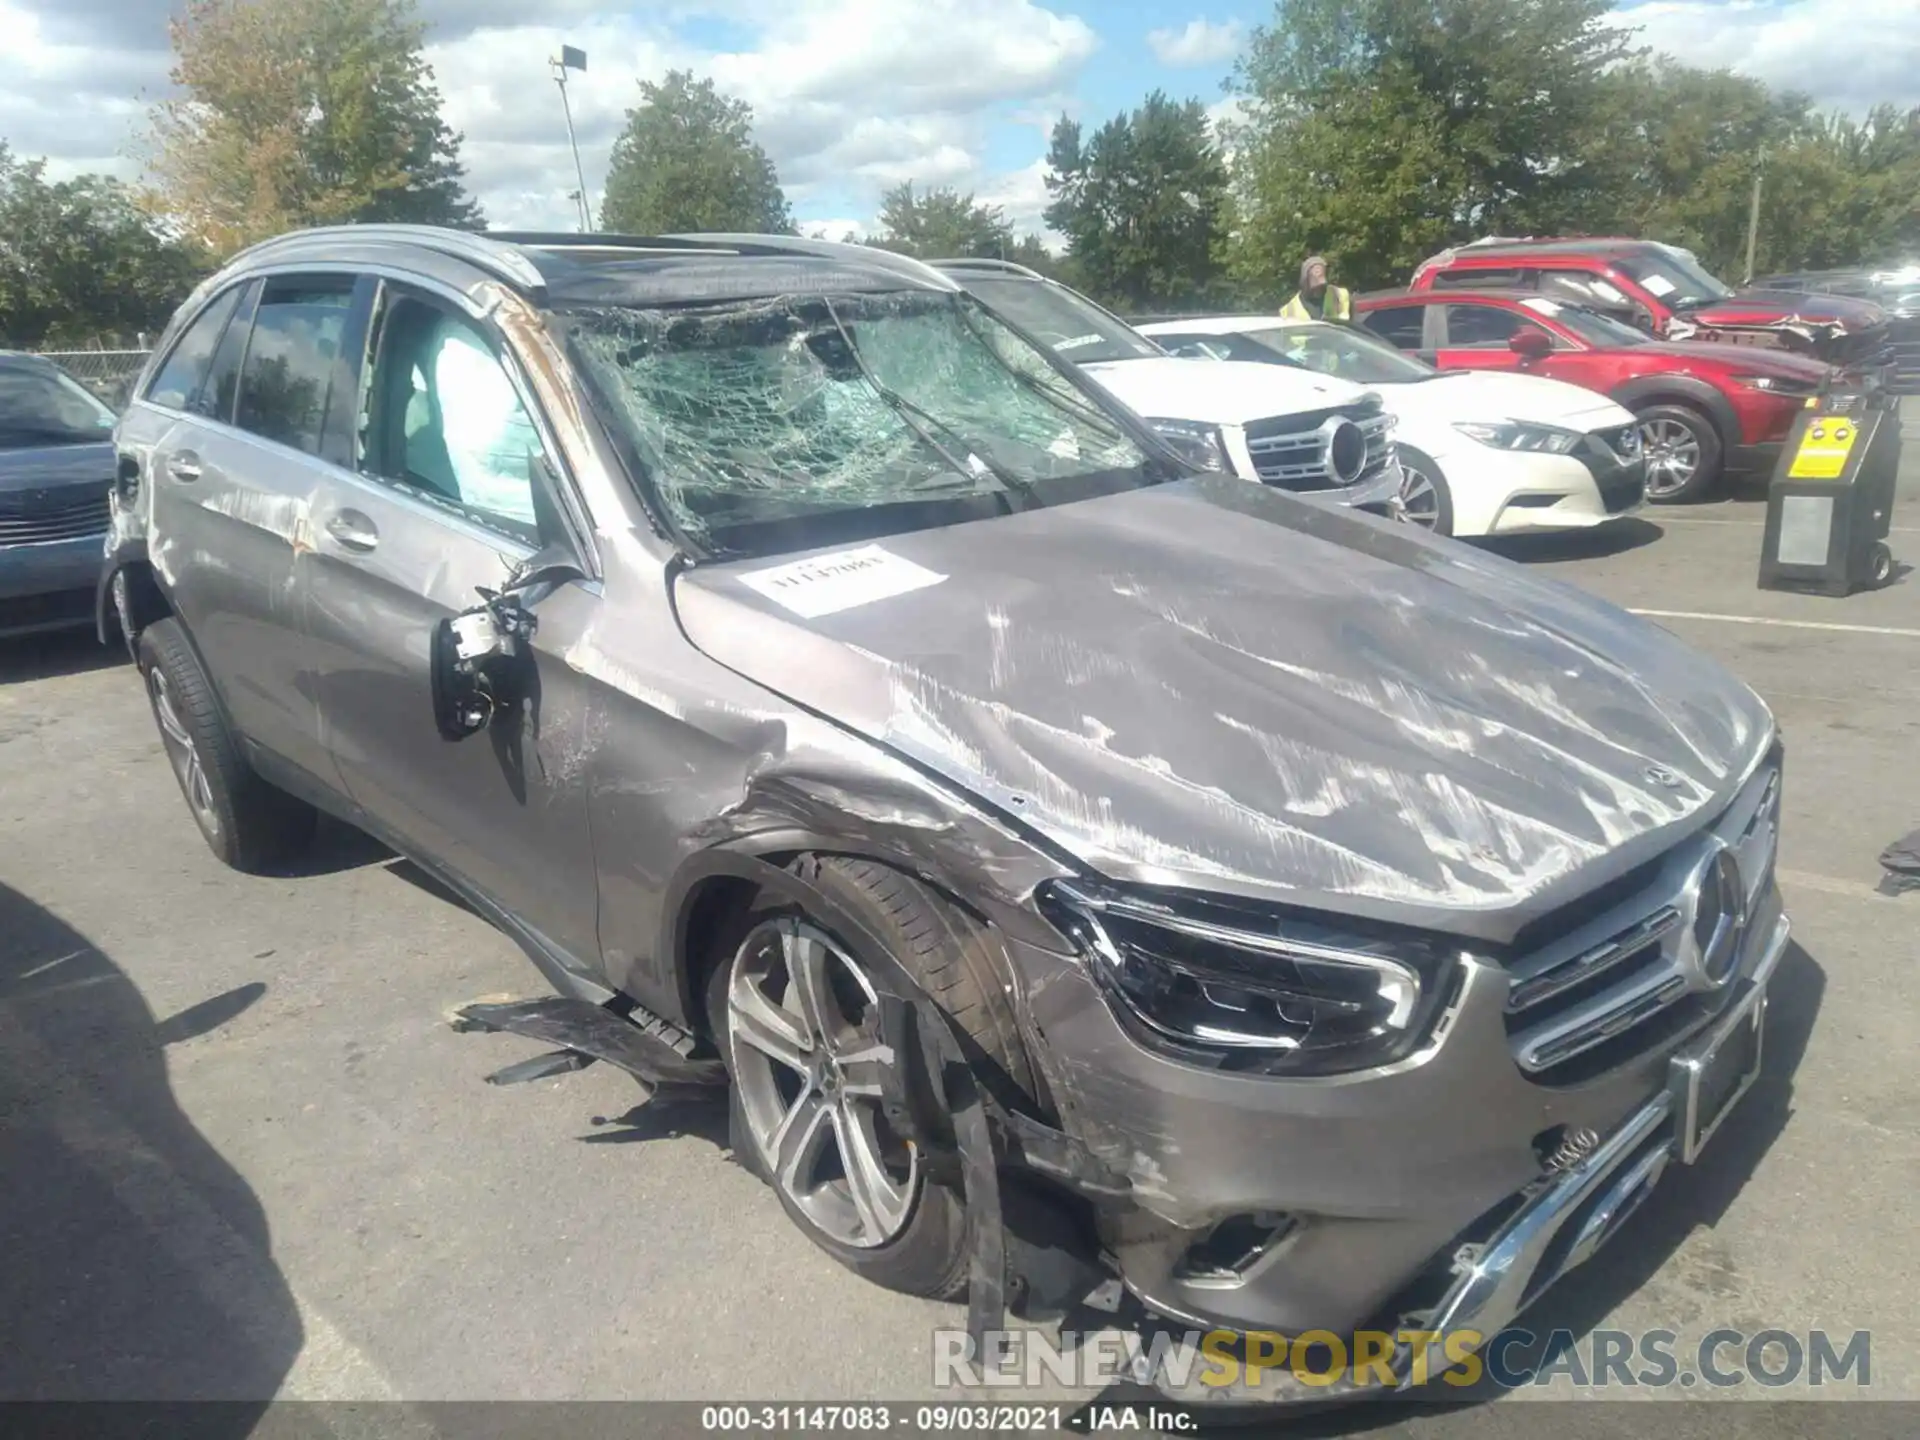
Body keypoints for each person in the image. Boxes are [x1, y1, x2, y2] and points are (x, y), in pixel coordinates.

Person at [1281, 255, 1351, 323]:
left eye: (1322, 286)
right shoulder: (1288, 310)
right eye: (1315, 287)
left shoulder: (1339, 295)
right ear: (1305, 283)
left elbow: (1354, 325)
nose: (1319, 290)